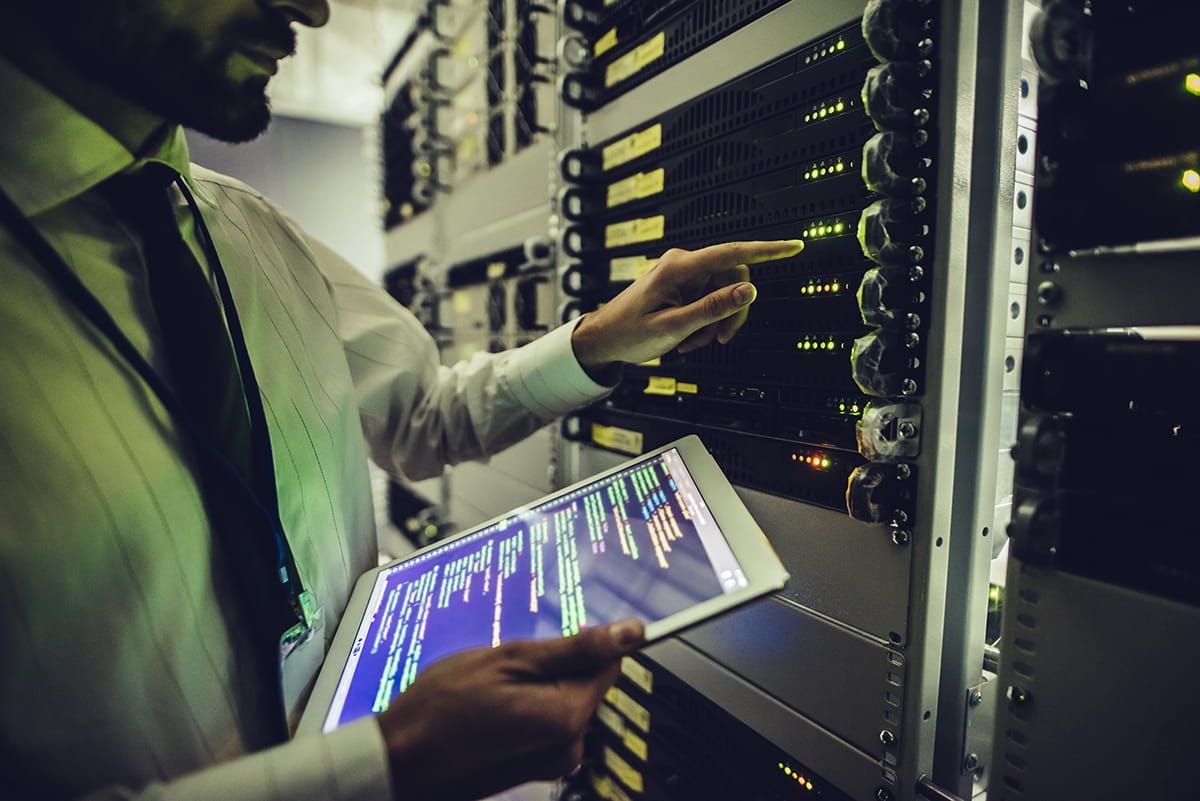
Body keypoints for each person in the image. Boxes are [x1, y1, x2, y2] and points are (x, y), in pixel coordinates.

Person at [0, 1, 804, 800]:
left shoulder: (253, 232)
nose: (312, 10)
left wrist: (596, 340)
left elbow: (425, 416)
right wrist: (385, 764)